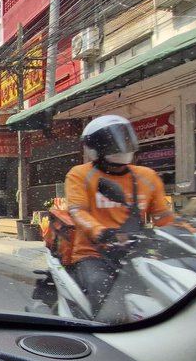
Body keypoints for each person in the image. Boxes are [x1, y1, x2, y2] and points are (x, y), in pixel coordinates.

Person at [64, 115, 179, 314]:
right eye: (112, 141)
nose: (120, 146)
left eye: (124, 138)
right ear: (95, 147)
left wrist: (187, 233)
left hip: (136, 253)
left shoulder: (147, 176)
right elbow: (77, 211)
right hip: (93, 254)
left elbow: (163, 216)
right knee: (105, 295)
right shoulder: (80, 174)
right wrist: (100, 232)